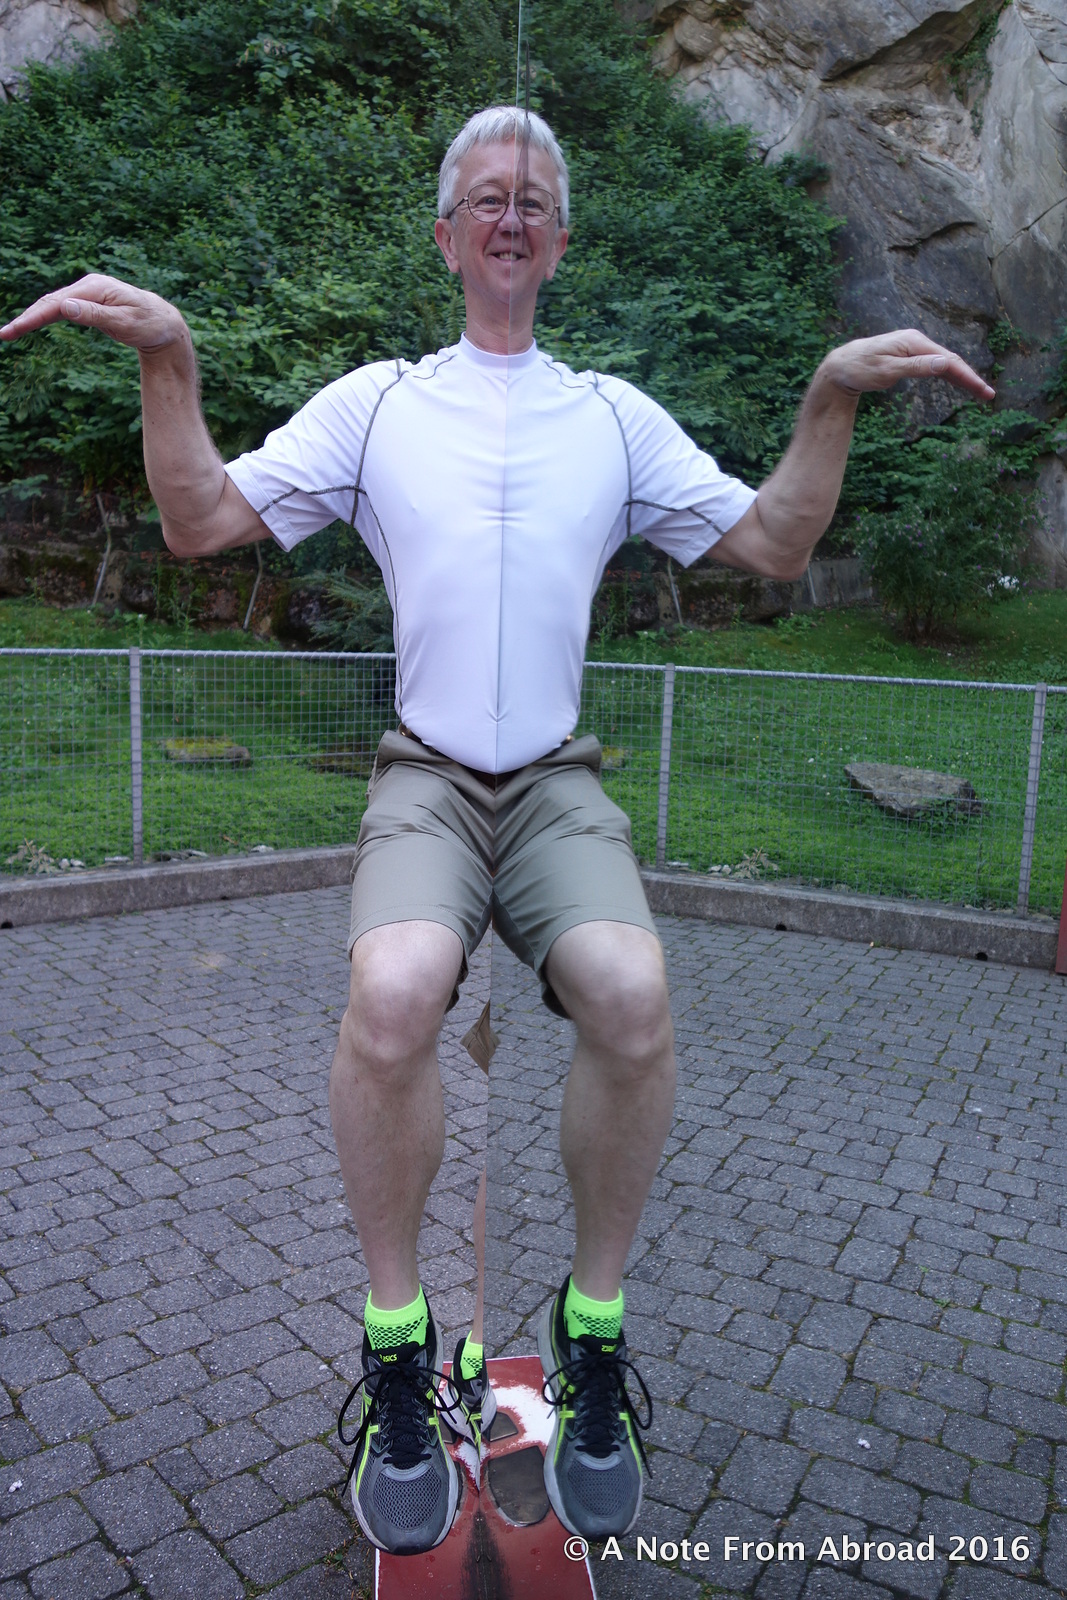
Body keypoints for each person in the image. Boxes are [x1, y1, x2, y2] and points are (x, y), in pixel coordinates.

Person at [0, 103, 994, 1557]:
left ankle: (592, 1333)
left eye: (534, 196)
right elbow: (203, 520)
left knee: (635, 995)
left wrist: (831, 393)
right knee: (396, 993)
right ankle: (398, 1350)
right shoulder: (378, 404)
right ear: (448, 236)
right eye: (486, 195)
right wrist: (172, 358)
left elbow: (774, 545)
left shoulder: (615, 416)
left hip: (555, 781)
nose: (511, 212)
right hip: (428, 773)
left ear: (562, 241)